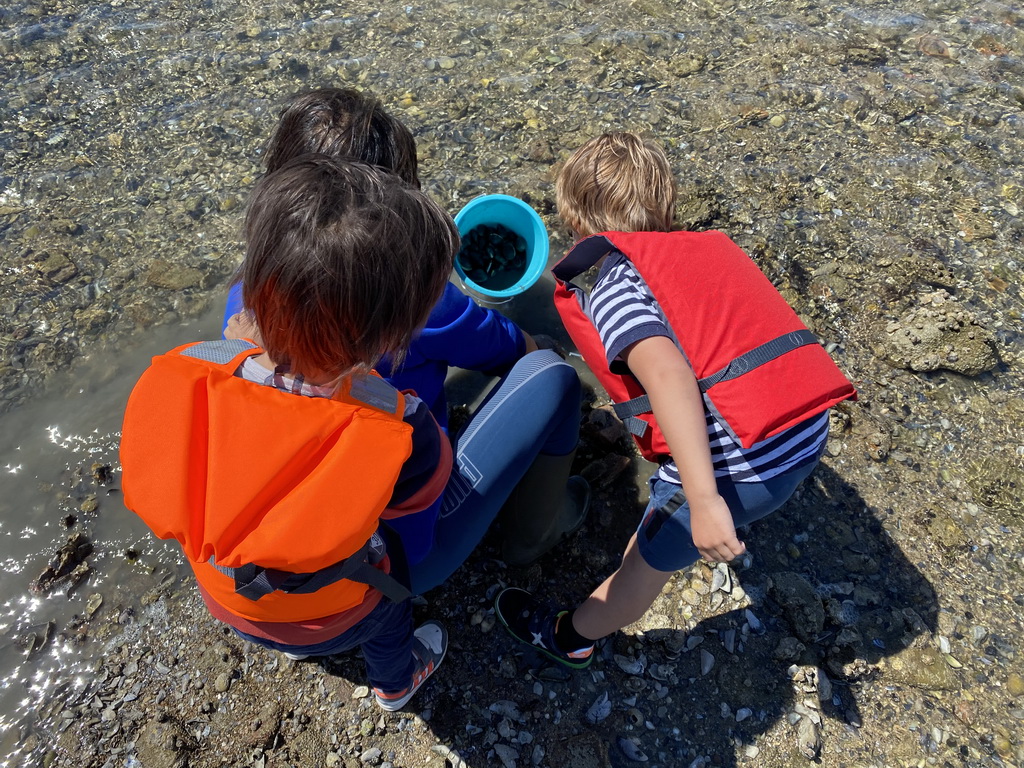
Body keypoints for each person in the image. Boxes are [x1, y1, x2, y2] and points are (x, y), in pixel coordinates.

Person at [121, 157, 588, 712]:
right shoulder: (397, 424)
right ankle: (397, 682)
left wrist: (240, 347)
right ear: (389, 340)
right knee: (389, 608)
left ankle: (294, 634)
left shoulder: (194, 363)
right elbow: (409, 546)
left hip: (229, 599)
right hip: (344, 613)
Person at [495, 132, 856, 668]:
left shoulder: (617, 290)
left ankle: (571, 637)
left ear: (577, 222)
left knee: (642, 564)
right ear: (665, 204)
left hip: (744, 472)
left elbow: (668, 377)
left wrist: (706, 502)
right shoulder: (706, 255)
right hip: (805, 434)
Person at [221, 87, 557, 566]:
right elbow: (508, 349)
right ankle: (537, 535)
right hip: (397, 561)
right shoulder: (420, 305)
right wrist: (541, 344)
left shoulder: (245, 304)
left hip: (288, 564)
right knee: (554, 378)